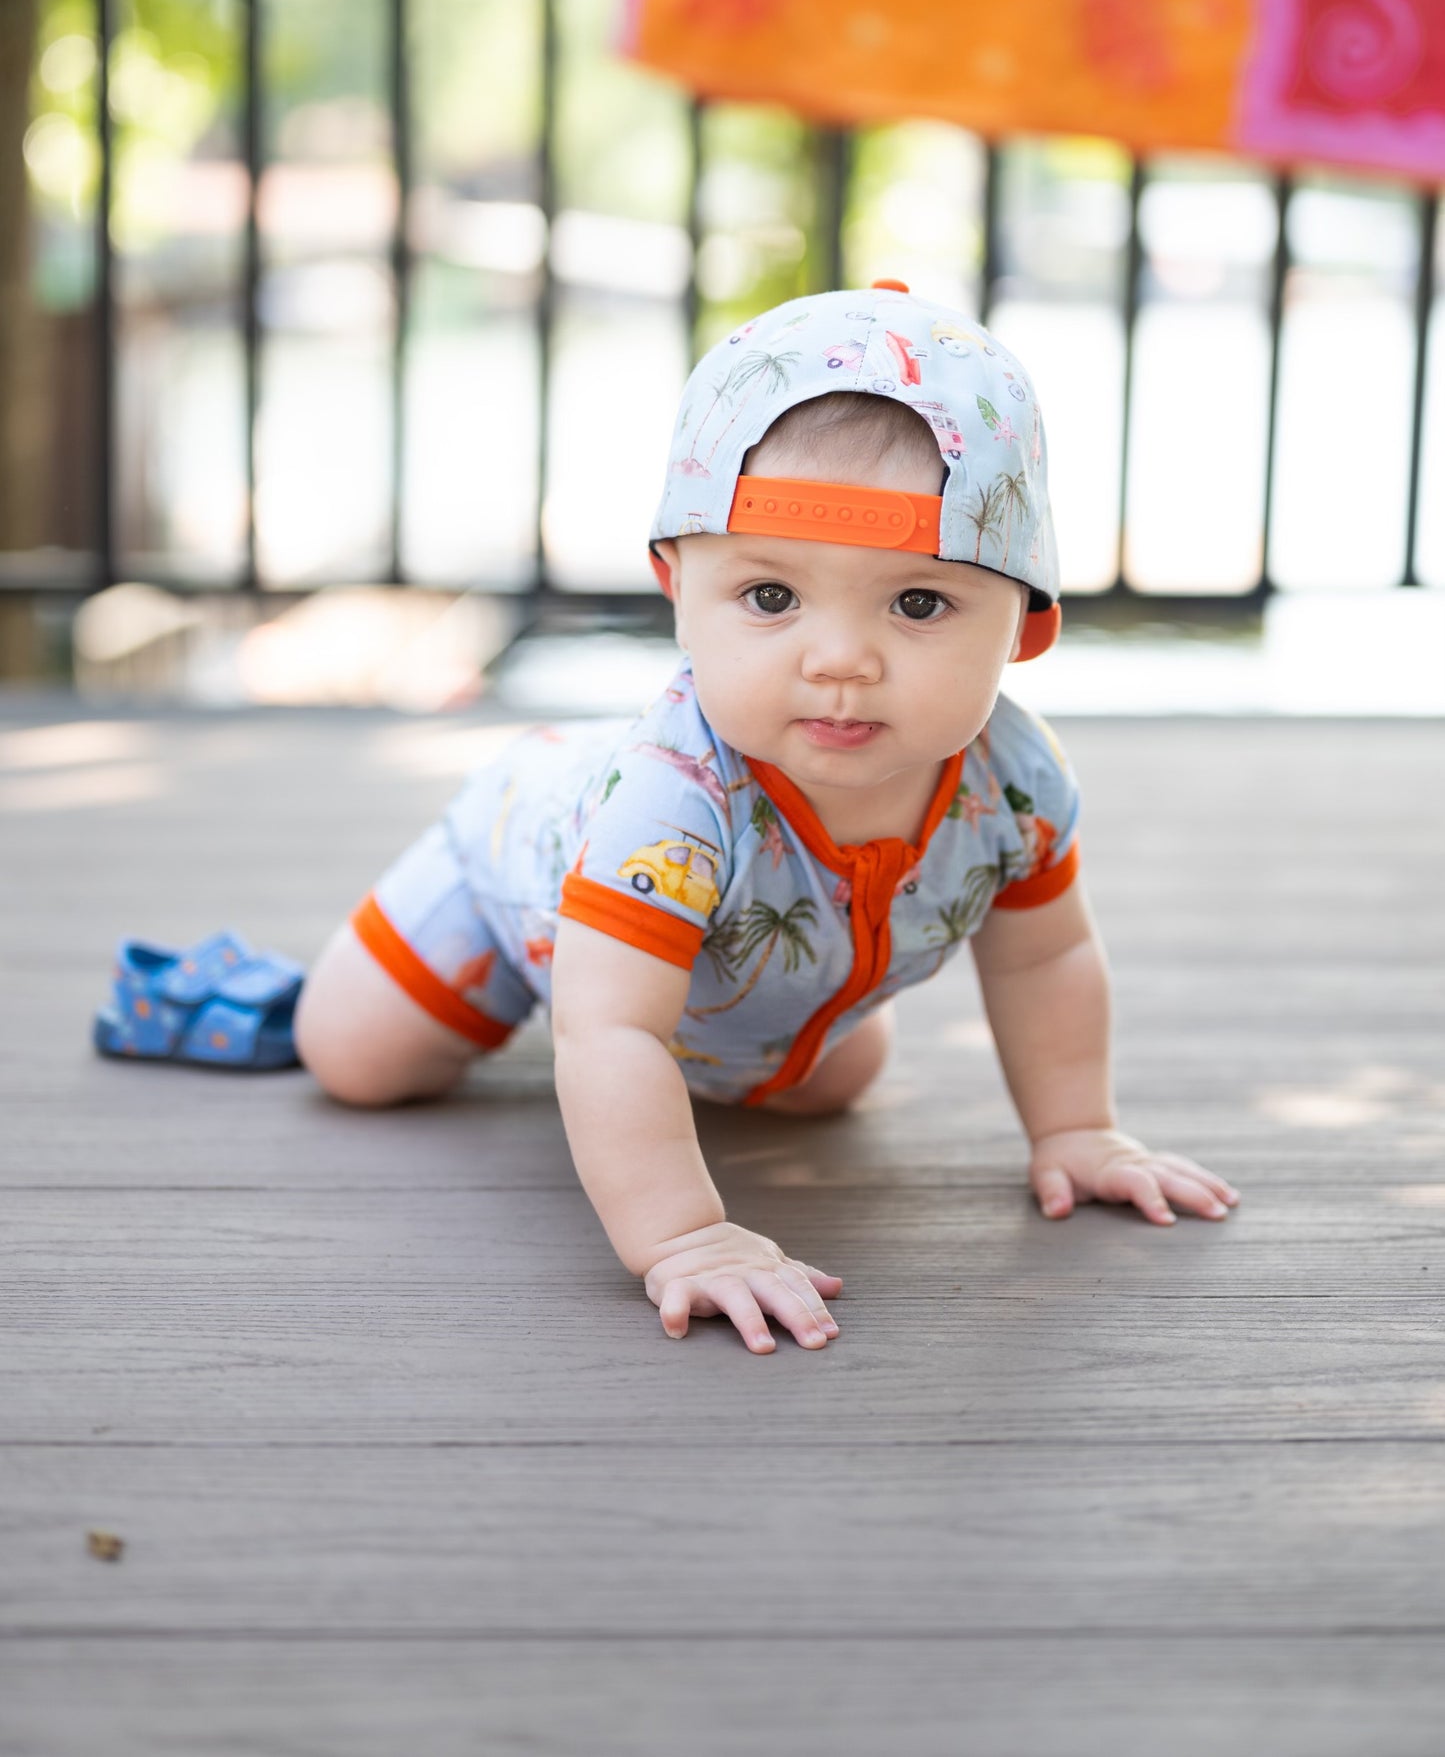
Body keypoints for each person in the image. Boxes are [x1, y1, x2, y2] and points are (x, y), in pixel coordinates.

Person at [295, 281, 1239, 1355]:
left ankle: (755, 1029)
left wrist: (1075, 1127)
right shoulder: (673, 799)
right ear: (675, 586)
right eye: (771, 597)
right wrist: (685, 1235)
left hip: (728, 977)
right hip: (514, 877)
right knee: (357, 1058)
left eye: (917, 602)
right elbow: (610, 1025)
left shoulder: (1013, 779)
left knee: (833, 1077)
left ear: (1024, 621)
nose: (838, 657)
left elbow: (1043, 959)